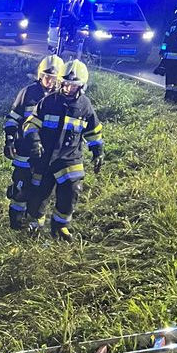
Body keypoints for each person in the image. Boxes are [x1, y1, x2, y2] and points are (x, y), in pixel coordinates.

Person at [23, 60, 104, 240]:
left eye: (73, 86)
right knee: (39, 193)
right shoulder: (48, 102)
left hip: (69, 158)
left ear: (81, 86)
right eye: (65, 84)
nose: (68, 89)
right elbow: (31, 124)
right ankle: (34, 224)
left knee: (71, 190)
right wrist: (35, 142)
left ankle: (60, 226)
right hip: (44, 157)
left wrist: (98, 151)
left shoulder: (85, 106)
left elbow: (93, 131)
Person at [4, 55, 65, 229]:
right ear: (40, 75)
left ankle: (34, 225)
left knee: (40, 191)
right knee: (22, 188)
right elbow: (13, 118)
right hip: (24, 151)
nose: (50, 81)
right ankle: (16, 222)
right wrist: (9, 140)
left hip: (46, 154)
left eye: (54, 78)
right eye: (47, 77)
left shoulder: (61, 98)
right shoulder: (28, 93)